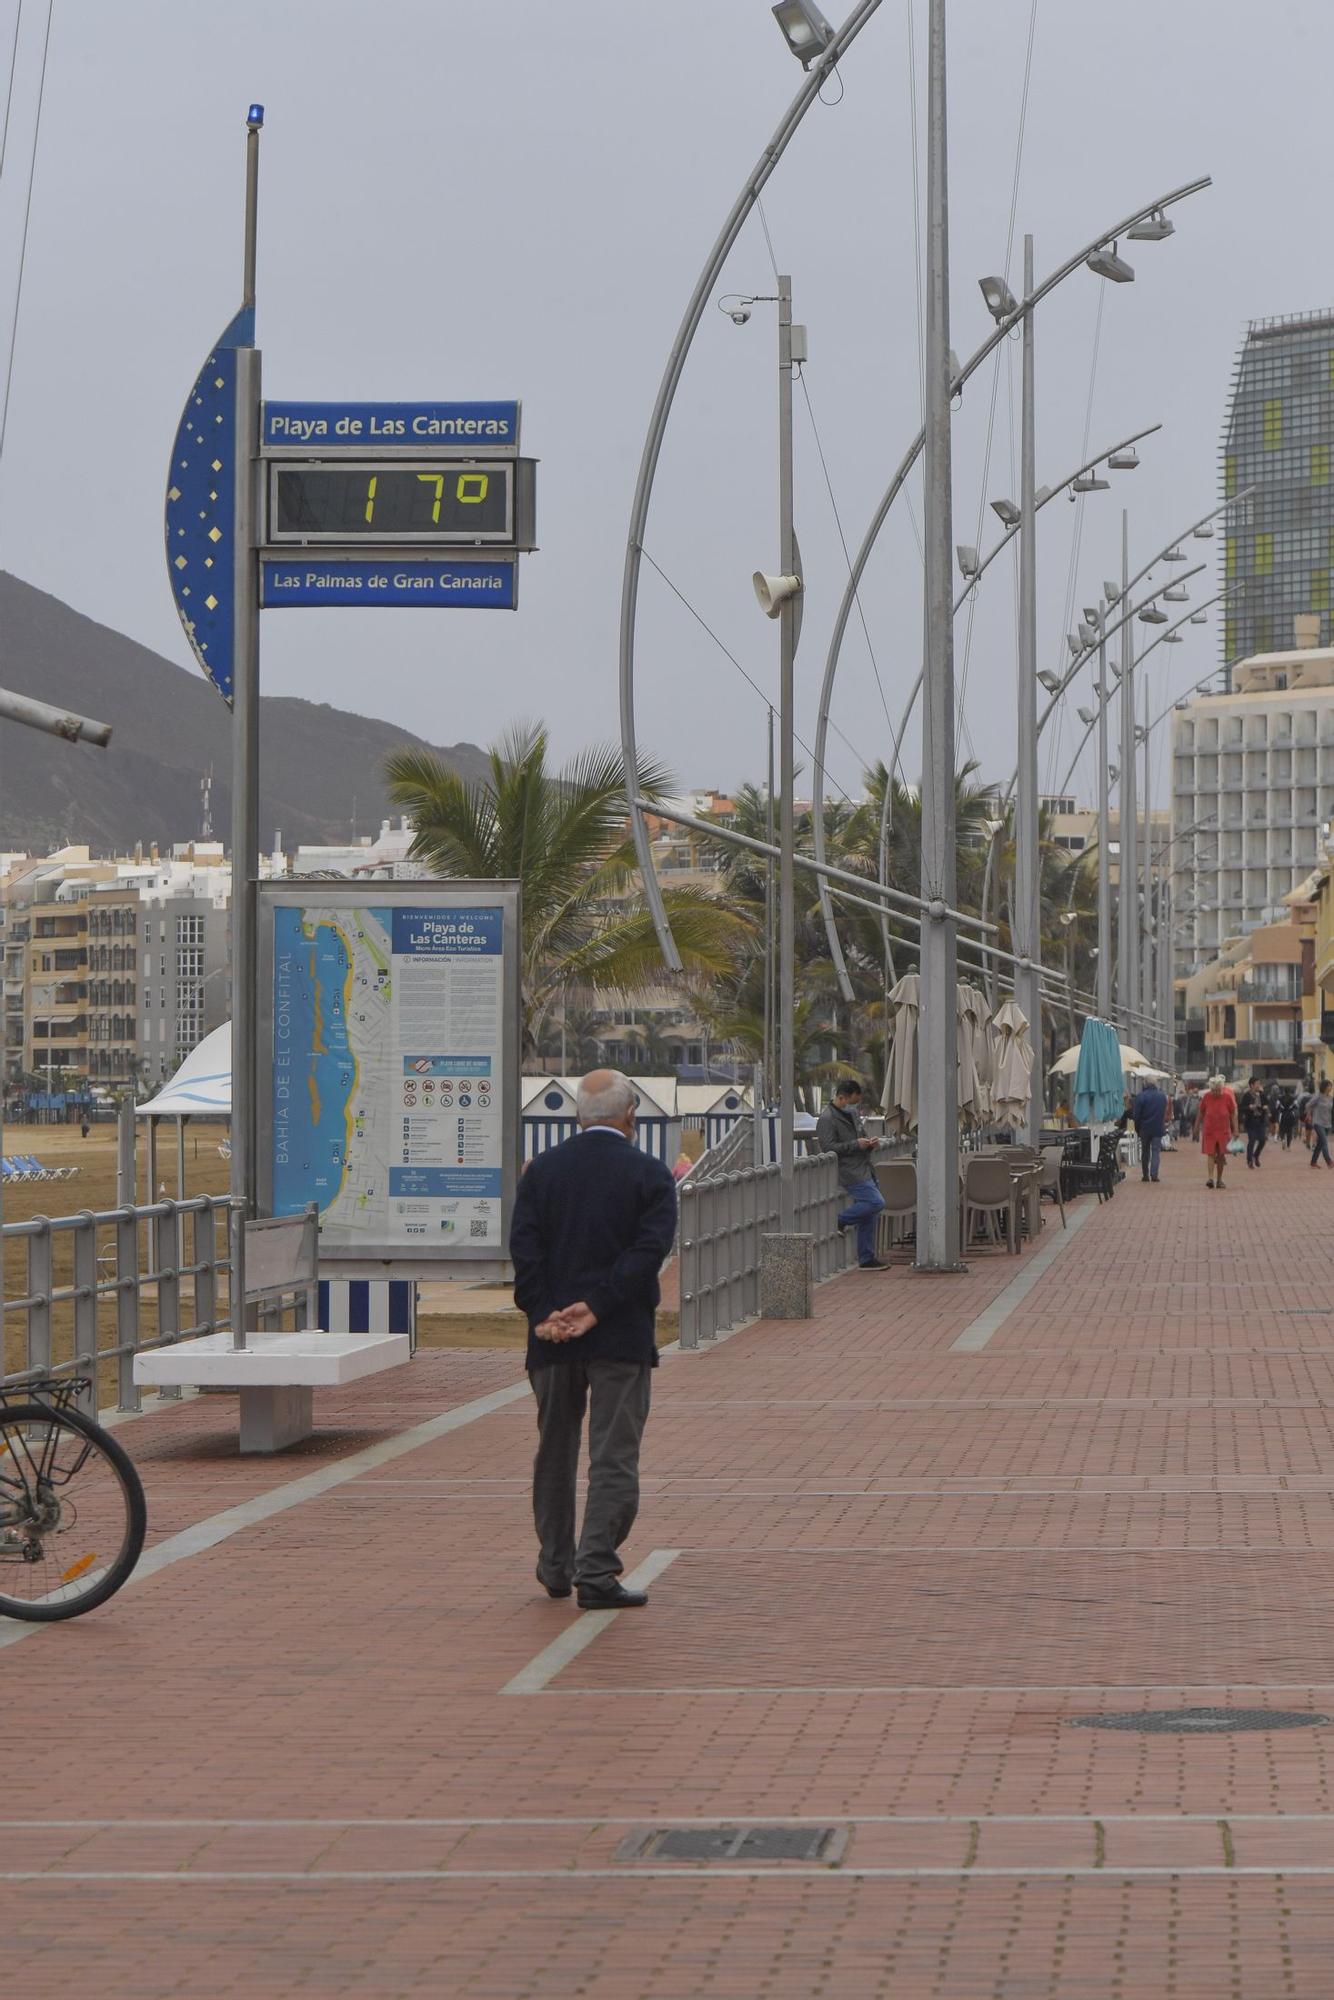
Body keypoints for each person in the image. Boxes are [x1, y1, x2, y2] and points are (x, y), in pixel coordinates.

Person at [509, 1069, 678, 1611]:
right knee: (612, 1454)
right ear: (631, 1115)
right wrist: (598, 1306)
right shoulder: (650, 1175)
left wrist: (544, 1312)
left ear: (577, 1116)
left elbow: (525, 1250)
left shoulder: (541, 1173)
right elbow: (647, 1254)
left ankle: (555, 1566)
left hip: (550, 1336)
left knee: (553, 1452)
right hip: (619, 1334)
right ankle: (597, 1570)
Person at [816, 1078, 886, 1270]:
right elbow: (828, 1147)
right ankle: (840, 1220)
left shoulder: (853, 1114)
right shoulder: (827, 1119)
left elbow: (860, 1134)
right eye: (853, 1101)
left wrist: (869, 1144)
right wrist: (856, 1145)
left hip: (864, 1167)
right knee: (876, 1202)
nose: (854, 1106)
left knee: (870, 1214)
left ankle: (866, 1257)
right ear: (842, 1098)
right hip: (849, 1171)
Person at [1194, 1073, 1238, 1190]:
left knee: (1221, 1155)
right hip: (1209, 1130)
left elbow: (1233, 1114)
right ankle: (1210, 1178)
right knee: (1210, 1154)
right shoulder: (1207, 1097)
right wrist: (1196, 1127)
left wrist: (1236, 1130)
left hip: (1223, 1130)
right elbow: (1201, 1112)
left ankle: (1219, 1179)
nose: (1216, 1093)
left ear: (1222, 1088)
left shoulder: (1227, 1097)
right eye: (1214, 1090)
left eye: (1218, 1090)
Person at [1131, 1077, 1168, 1183]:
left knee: (1145, 1151)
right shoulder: (1162, 1096)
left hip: (1144, 1128)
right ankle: (1154, 1174)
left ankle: (1145, 1175)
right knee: (1156, 1151)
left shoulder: (1140, 1096)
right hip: (1157, 1127)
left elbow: (1136, 1115)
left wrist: (1137, 1128)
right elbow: (1163, 1113)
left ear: (1145, 1083)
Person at [1241, 1078, 1269, 1171]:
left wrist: (1265, 1107)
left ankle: (1255, 1155)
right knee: (1252, 1140)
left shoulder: (1261, 1094)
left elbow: (1266, 1103)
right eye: (1257, 1084)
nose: (1259, 1085)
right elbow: (1241, 1107)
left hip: (1260, 1121)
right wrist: (1249, 1107)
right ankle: (1249, 1160)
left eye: (1259, 1083)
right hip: (1251, 1121)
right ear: (1252, 1085)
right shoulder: (1247, 1095)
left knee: (1262, 1140)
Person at [1310, 1079, 1334, 1169]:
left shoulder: (1331, 1098)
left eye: (1331, 1086)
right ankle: (1329, 1161)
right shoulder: (1318, 1097)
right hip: (1318, 1122)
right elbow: (1309, 1105)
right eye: (1329, 1086)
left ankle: (1313, 1162)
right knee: (1324, 1141)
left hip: (1327, 1123)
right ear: (1324, 1087)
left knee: (1320, 1144)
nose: (1331, 1087)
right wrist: (1309, 1113)